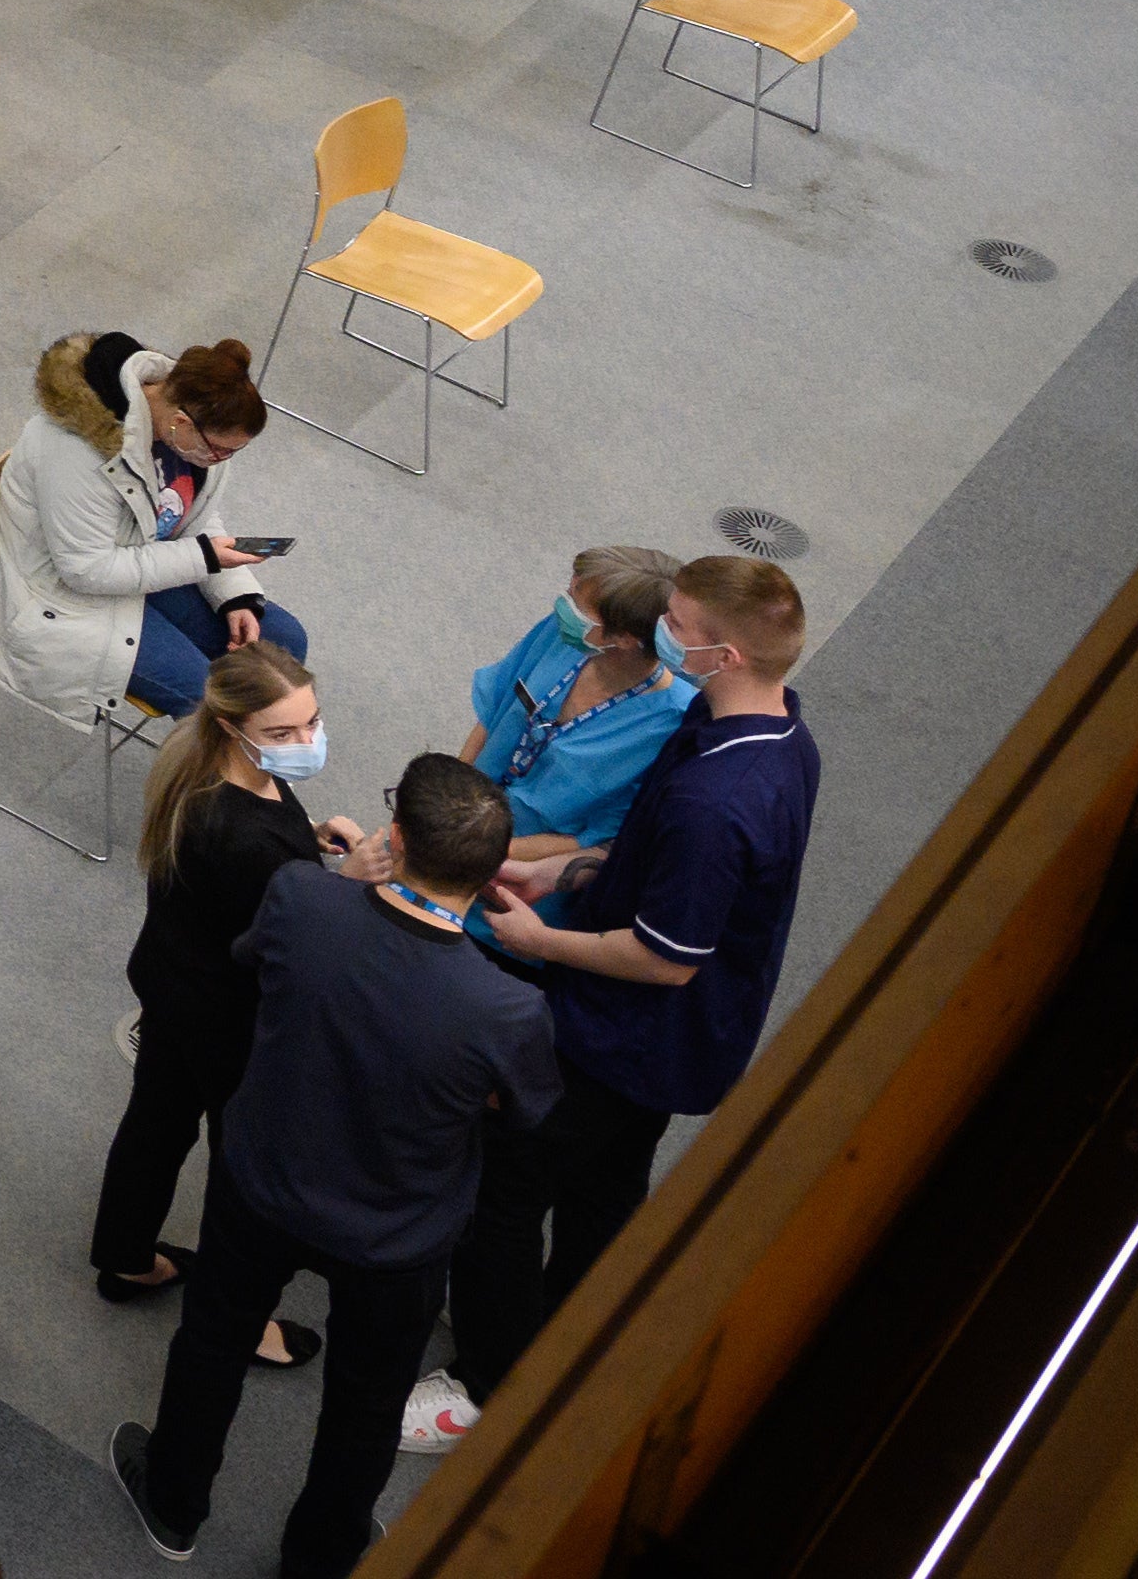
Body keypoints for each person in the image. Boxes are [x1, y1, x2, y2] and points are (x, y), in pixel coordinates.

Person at [119, 756, 558, 1576]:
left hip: (262, 1180)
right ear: (495, 874)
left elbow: (260, 967)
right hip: (398, 1233)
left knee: (212, 1341)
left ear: (395, 838)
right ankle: (321, 1556)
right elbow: (526, 1112)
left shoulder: (301, 898)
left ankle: (173, 1502)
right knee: (365, 1402)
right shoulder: (508, 1007)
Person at [437, 559, 821, 1418]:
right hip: (673, 1035)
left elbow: (664, 955)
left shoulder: (717, 797)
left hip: (627, 1034)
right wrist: (571, 869)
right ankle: (574, 1337)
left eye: (678, 626)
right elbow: (647, 862)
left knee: (505, 1193)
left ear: (723, 656)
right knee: (605, 1187)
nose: (659, 637)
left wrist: (546, 941)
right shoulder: (772, 730)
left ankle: (487, 1383)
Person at [87, 645, 337, 1347]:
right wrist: (340, 883)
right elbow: (295, 936)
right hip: (234, 1024)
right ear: (233, 728)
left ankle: (126, 1259)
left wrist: (308, 846)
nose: (306, 743)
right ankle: (242, 1323)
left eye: (311, 723)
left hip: (175, 990)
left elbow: (258, 870)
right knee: (246, 1174)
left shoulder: (206, 777)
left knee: (157, 1125)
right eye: (284, 734)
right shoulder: (248, 842)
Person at [0, 332, 305, 717]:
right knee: (215, 703)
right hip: (63, 595)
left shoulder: (188, 437)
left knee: (283, 642)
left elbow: (192, 516)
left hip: (142, 563)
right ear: (180, 422)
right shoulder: (75, 451)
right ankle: (233, 770)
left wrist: (236, 598)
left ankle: (256, 755)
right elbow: (86, 571)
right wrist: (204, 556)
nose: (222, 460)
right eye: (220, 449)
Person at [462, 545, 693, 873]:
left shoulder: (670, 724)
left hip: (520, 870)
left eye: (576, 602)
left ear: (625, 638)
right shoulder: (566, 638)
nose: (563, 606)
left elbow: (598, 836)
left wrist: (479, 852)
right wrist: (443, 798)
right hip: (456, 820)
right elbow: (493, 712)